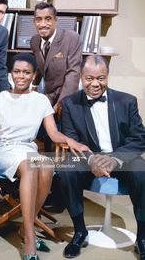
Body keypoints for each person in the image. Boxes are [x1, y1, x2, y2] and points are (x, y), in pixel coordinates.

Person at [0, 53, 90, 260]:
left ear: (34, 75)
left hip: (28, 149)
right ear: (11, 73)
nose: (21, 76)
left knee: (47, 165)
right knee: (29, 166)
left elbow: (53, 133)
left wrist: (70, 141)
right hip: (4, 150)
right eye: (17, 71)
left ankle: (25, 228)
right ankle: (30, 238)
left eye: (26, 72)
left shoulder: (40, 100)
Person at [59, 55, 145, 259]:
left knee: (142, 174)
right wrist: (91, 161)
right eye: (89, 78)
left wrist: (115, 159)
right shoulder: (69, 104)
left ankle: (142, 237)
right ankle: (80, 231)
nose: (95, 84)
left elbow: (139, 138)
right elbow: (70, 139)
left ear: (107, 77)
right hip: (88, 158)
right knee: (65, 170)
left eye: (101, 78)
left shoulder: (127, 101)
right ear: (80, 77)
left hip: (121, 156)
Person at [30, 2, 82, 112]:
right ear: (34, 22)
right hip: (48, 94)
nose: (43, 24)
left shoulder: (72, 38)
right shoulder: (34, 41)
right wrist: (34, 85)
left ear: (55, 20)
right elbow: (41, 64)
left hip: (68, 95)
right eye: (39, 19)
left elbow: (73, 72)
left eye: (48, 19)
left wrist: (62, 102)